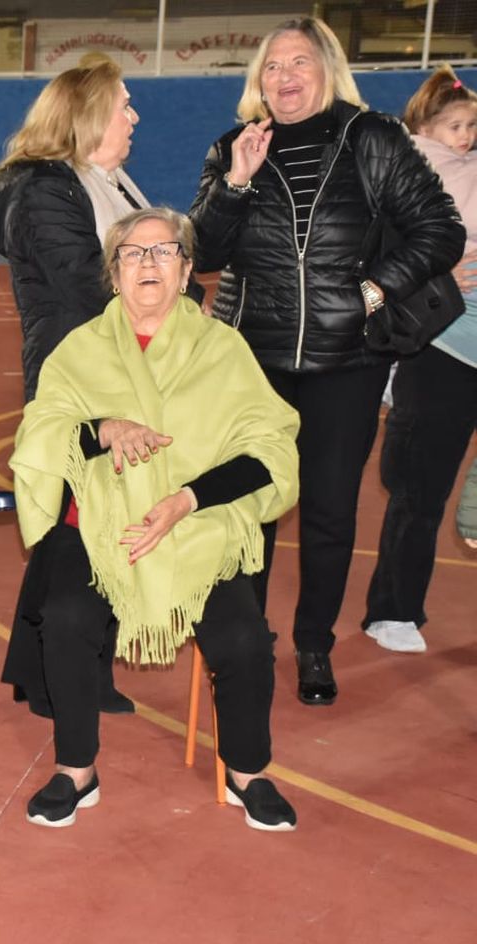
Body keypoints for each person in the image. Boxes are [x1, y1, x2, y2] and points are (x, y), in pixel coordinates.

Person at [188, 17, 463, 705]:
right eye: (272, 64)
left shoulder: (373, 137)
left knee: (330, 510)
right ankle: (246, 641)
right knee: (249, 505)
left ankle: (314, 644)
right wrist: (237, 183)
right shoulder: (232, 146)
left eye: (299, 62)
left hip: (348, 361)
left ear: (327, 70)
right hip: (252, 362)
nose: (284, 75)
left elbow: (440, 229)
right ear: (259, 79)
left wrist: (373, 290)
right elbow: (206, 253)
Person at [11, 207, 301, 831]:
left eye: (164, 251)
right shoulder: (80, 350)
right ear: (113, 273)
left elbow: (270, 449)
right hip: (100, 529)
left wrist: (187, 499)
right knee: (64, 619)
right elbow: (42, 434)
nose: (148, 263)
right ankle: (75, 771)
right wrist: (102, 429)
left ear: (187, 271)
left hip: (196, 525)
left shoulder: (223, 349)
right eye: (133, 253)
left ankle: (248, 771)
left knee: (245, 639)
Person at [0, 55, 156, 719]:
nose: (134, 117)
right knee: (73, 532)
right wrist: (176, 300)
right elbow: (94, 283)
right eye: (123, 105)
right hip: (76, 380)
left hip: (119, 373)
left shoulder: (109, 183)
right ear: (88, 117)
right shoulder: (44, 190)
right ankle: (60, 673)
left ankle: (55, 668)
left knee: (95, 527)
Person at [362, 66, 477, 654]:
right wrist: (438, 268)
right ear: (425, 128)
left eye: (471, 126)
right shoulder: (413, 173)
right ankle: (394, 610)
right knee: (419, 489)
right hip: (443, 348)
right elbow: (393, 253)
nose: (465, 136)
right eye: (454, 126)